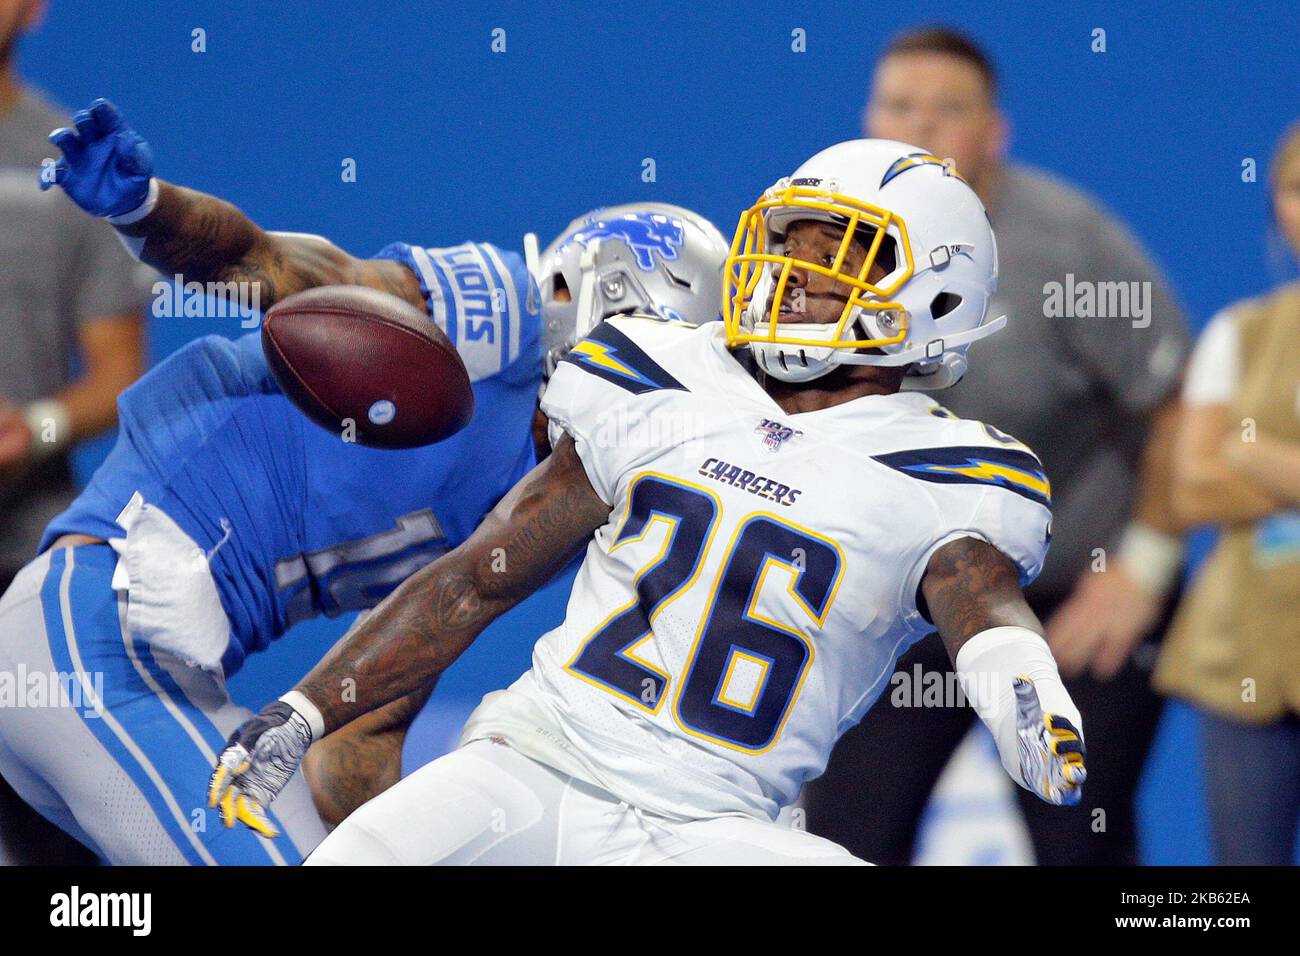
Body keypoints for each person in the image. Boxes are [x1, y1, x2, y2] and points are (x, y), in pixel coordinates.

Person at [208, 139, 1087, 866]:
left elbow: (981, 599)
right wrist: (308, 706)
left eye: (840, 252)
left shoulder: (948, 474)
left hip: (723, 827)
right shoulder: (662, 373)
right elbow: (479, 578)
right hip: (543, 763)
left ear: (934, 291)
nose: (799, 270)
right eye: (795, 242)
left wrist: (1026, 684)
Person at [0, 97, 728, 864]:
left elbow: (363, 725)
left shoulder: (576, 493)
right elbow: (288, 271)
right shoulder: (505, 315)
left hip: (158, 673)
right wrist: (153, 211)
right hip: (97, 634)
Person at [803, 26, 1192, 865]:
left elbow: (1175, 405)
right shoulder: (811, 248)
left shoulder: (1071, 245)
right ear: (870, 117)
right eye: (901, 106)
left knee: (1077, 843)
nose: (922, 127)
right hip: (905, 604)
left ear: (994, 132)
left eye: (950, 110)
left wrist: (1141, 571)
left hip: (1067, 599)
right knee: (843, 838)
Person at [0, 1, 150, 865]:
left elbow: (117, 375)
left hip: (23, 555)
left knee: (59, 851)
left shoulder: (71, 163)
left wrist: (34, 426)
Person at [1156, 121, 1300, 866]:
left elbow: (1222, 460)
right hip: (1241, 656)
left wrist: (1252, 449)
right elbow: (1191, 487)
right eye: (1298, 189)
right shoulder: (1238, 332)